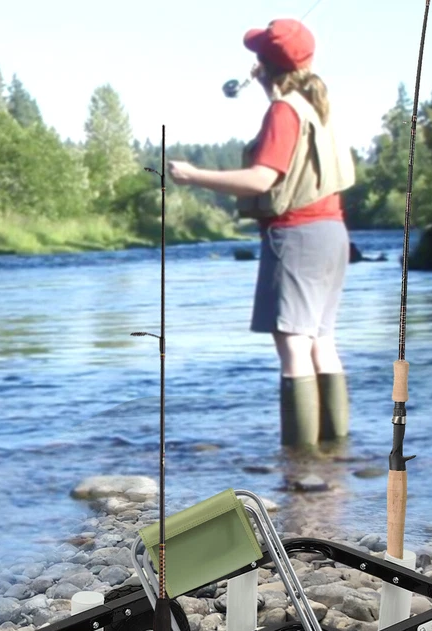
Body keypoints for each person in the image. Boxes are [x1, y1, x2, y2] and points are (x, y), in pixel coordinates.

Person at [169, 18, 355, 447]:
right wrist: (266, 81)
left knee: (293, 349)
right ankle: (336, 453)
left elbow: (261, 179)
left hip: (297, 238)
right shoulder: (317, 106)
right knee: (321, 344)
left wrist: (194, 176)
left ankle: (301, 461)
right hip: (334, 233)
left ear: (266, 65)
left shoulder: (284, 110)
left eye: (258, 56)